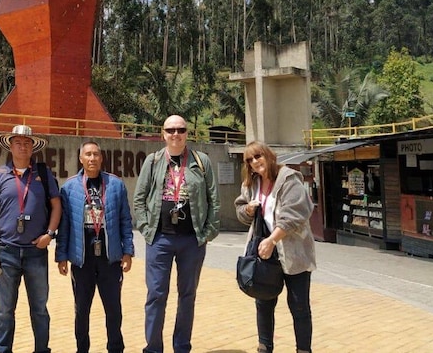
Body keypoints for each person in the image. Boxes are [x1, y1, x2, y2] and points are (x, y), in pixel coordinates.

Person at [133, 115, 220, 353]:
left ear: (186, 133)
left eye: (180, 129)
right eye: (170, 130)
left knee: (187, 295)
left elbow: (214, 199)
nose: (175, 134)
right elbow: (139, 199)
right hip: (159, 239)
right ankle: (153, 347)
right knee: (156, 295)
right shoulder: (153, 161)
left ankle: (182, 346)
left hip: (191, 240)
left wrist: (208, 232)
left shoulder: (201, 161)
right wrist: (145, 227)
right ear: (163, 133)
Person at [0, 125, 62, 353]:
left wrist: (50, 234)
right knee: (5, 309)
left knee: (39, 308)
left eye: (27, 142)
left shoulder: (43, 174)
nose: (22, 146)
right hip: (6, 252)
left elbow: (57, 207)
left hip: (36, 252)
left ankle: (41, 349)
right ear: (10, 145)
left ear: (33, 146)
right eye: (18, 142)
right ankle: (3, 349)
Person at [234, 141, 316, 353]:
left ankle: (303, 350)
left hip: (292, 251)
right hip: (264, 252)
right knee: (263, 301)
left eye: (258, 156)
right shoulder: (250, 184)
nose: (255, 162)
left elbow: (297, 213)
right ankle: (264, 348)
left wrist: (273, 240)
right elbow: (240, 209)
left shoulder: (288, 178)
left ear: (269, 156)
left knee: (299, 306)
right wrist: (248, 211)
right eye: (249, 160)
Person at [56, 140, 134, 353]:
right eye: (88, 154)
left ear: (101, 158)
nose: (92, 158)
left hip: (110, 258)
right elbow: (65, 226)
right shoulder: (70, 187)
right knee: (81, 310)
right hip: (82, 258)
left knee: (113, 309)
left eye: (96, 154)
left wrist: (128, 251)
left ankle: (115, 348)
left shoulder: (115, 185)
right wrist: (61, 255)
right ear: (80, 158)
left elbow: (125, 220)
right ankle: (82, 349)